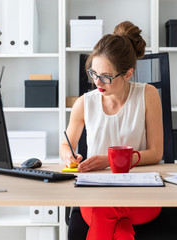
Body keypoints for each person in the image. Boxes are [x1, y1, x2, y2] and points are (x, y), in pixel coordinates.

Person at [60, 21, 163, 240]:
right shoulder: (84, 103)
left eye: (105, 76)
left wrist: (109, 160)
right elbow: (65, 144)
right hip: (97, 194)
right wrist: (69, 156)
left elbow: (156, 153)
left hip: (141, 195)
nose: (97, 82)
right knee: (116, 222)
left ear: (127, 74)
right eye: (93, 73)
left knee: (104, 211)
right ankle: (124, 230)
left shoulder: (148, 95)